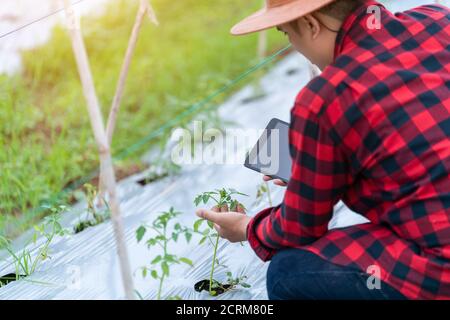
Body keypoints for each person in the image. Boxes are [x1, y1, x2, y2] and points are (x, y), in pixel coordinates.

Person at [196, 0, 450, 299]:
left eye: (286, 33)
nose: (292, 45)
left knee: (289, 272)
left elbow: (300, 226)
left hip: (442, 269)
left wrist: (247, 227)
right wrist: (318, 159)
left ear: (311, 25)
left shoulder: (325, 99)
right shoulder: (438, 20)